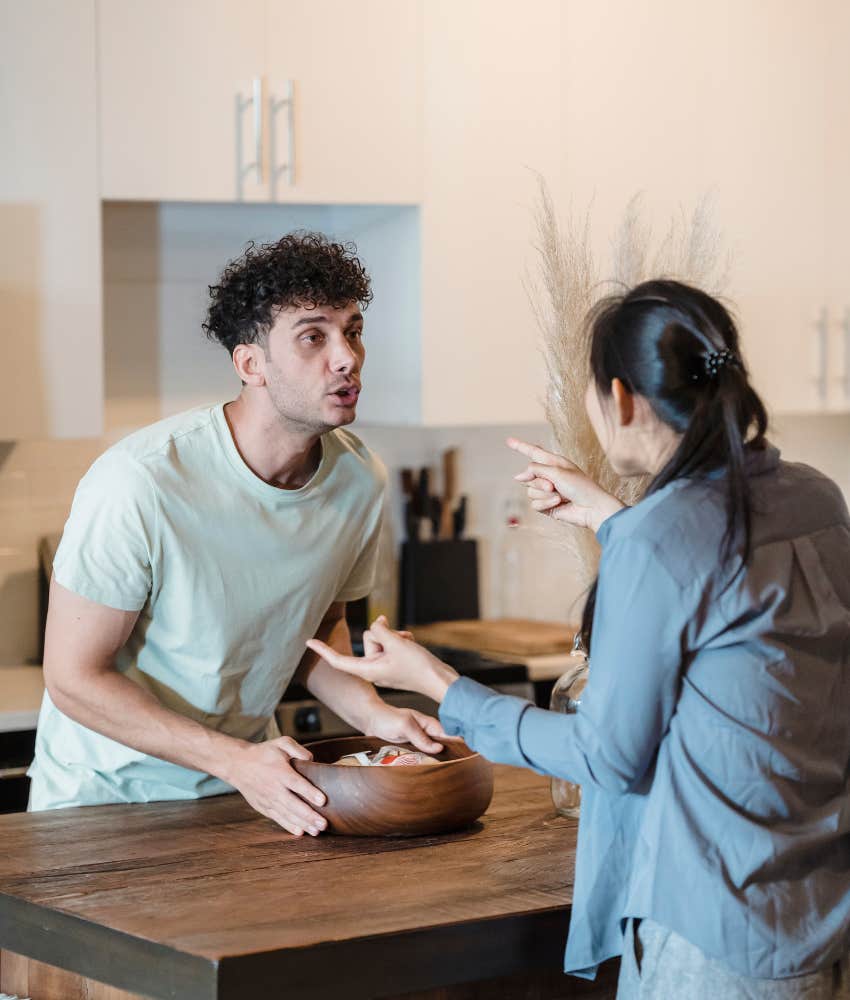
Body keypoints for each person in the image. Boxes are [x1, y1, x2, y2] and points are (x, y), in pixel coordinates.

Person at [307, 279, 850, 998]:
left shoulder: (659, 542)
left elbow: (606, 755)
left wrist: (438, 682)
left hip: (713, 931)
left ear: (621, 398)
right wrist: (609, 517)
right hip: (818, 913)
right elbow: (719, 586)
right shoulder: (814, 495)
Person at [29, 232, 445, 837]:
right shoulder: (141, 481)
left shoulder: (359, 479)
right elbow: (73, 678)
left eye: (352, 330)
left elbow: (312, 631)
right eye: (313, 336)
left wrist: (375, 715)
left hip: (248, 794)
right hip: (102, 805)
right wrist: (234, 760)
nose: (346, 357)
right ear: (250, 364)